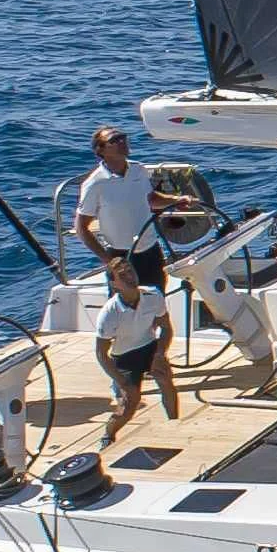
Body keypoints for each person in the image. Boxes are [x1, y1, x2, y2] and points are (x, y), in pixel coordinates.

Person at [73, 126, 195, 290]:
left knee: (157, 301)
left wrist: (176, 200)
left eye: (123, 137)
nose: (122, 142)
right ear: (101, 149)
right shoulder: (95, 184)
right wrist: (109, 262)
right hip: (121, 256)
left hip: (150, 250)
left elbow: (150, 199)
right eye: (114, 140)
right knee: (128, 307)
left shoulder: (138, 170)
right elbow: (81, 227)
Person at [95, 254, 179, 448]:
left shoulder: (153, 295)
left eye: (131, 272)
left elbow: (166, 328)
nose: (130, 278)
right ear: (114, 284)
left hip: (149, 347)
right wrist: (121, 381)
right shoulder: (110, 313)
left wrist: (159, 355)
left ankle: (175, 424)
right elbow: (101, 353)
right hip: (124, 358)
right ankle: (108, 434)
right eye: (123, 276)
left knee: (165, 379)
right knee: (130, 403)